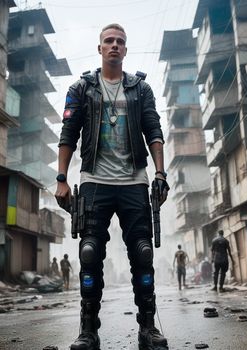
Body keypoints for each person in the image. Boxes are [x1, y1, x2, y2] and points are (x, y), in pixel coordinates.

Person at [54, 23, 170, 350]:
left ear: (125, 49)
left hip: (134, 180)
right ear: (100, 48)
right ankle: (88, 330)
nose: (114, 46)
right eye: (109, 41)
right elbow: (68, 134)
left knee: (143, 254)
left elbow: (154, 131)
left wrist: (160, 174)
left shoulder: (140, 90)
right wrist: (62, 178)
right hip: (94, 181)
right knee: (90, 253)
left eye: (120, 41)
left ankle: (148, 327)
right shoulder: (81, 88)